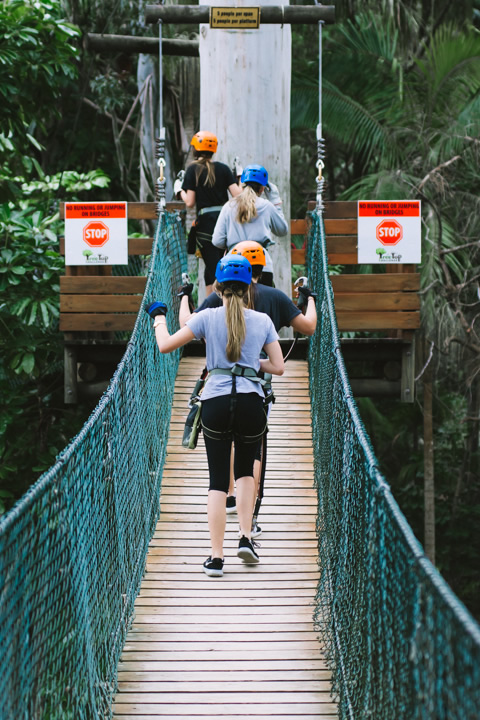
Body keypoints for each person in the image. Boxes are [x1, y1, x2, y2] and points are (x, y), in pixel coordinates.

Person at [147, 254, 284, 577]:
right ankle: (246, 539)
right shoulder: (262, 321)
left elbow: (165, 345)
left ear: (218, 287)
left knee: (217, 481)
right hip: (252, 404)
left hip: (216, 404)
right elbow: (278, 367)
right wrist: (250, 364)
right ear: (251, 285)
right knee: (246, 472)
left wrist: (158, 317)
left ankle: (217, 558)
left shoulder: (206, 317)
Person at [177, 241, 317, 537]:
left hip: (216, 394)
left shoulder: (214, 307)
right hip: (254, 393)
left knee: (221, 454)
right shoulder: (274, 302)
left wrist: (182, 299)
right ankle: (248, 527)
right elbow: (307, 328)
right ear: (259, 269)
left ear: (219, 283)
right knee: (251, 457)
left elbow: (183, 327)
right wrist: (310, 299)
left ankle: (225, 512)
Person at [174, 131, 241, 295]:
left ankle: (219, 308)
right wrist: (238, 177)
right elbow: (238, 195)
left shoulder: (193, 170)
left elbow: (189, 202)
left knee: (213, 268)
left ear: (195, 149)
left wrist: (179, 190)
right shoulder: (224, 169)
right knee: (216, 266)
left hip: (205, 227)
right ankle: (215, 306)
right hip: (225, 223)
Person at [211, 164, 288, 286]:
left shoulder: (228, 206)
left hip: (233, 266)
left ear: (242, 184)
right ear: (262, 189)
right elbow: (282, 230)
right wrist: (276, 202)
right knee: (262, 304)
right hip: (262, 266)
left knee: (236, 304)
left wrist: (234, 244)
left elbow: (217, 240)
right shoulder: (267, 206)